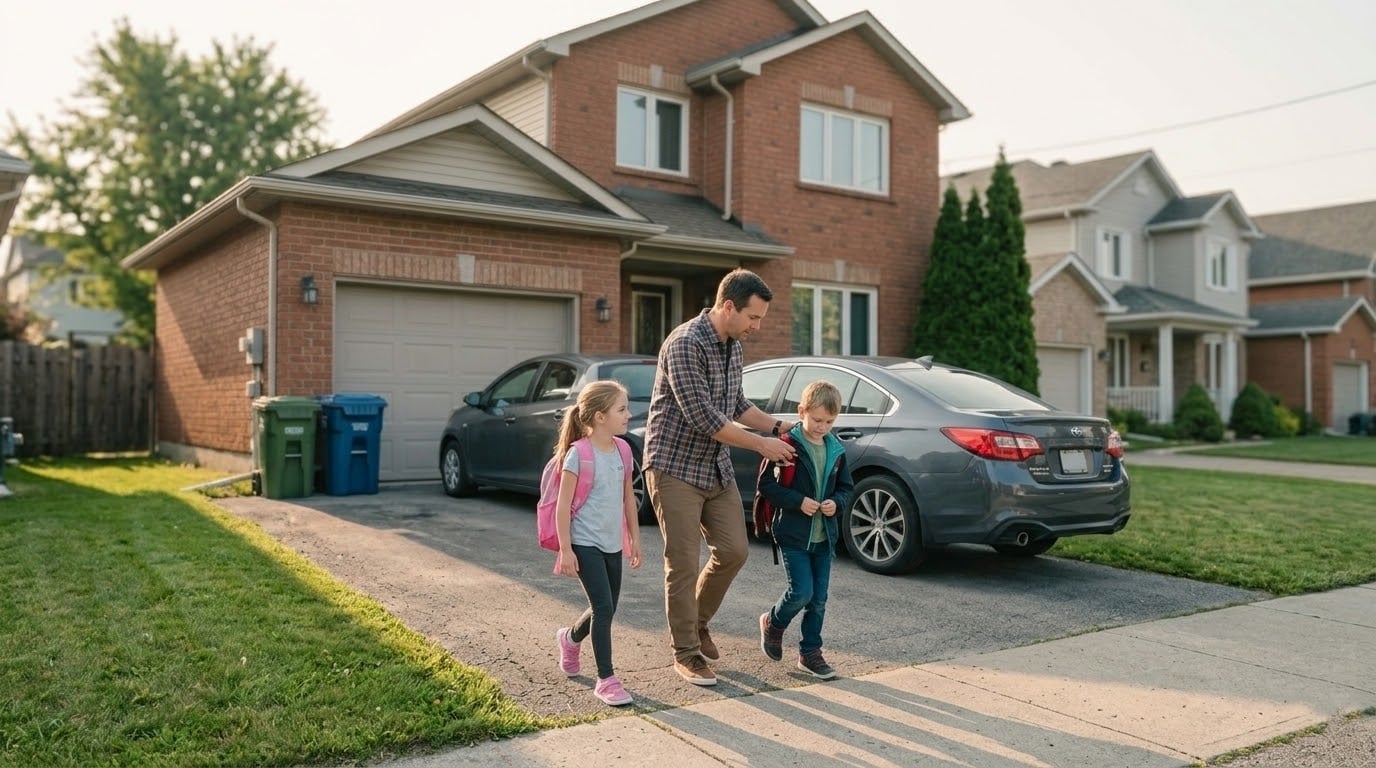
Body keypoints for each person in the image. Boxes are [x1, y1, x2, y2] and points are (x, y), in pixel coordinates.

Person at [643, 268, 798, 686]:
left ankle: (696, 623)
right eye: (753, 317)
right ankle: (686, 653)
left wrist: (779, 428)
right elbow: (704, 417)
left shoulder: (734, 346)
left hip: (714, 466)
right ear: (728, 306)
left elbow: (737, 404)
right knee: (682, 563)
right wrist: (762, 445)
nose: (757, 326)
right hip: (674, 465)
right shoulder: (684, 343)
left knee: (733, 551)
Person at [551, 380, 645, 706]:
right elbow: (563, 506)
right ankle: (606, 679)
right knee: (604, 607)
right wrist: (566, 549)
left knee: (605, 607)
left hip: (612, 543)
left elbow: (628, 498)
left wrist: (634, 538)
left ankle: (570, 638)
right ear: (600, 417)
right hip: (584, 542)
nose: (628, 415)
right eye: (622, 409)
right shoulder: (578, 454)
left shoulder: (623, 450)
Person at [756, 379, 854, 680]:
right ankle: (773, 623)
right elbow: (766, 485)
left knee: (819, 599)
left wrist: (836, 503)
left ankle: (810, 653)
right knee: (801, 591)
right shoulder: (787, 446)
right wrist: (798, 502)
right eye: (817, 419)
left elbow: (846, 488)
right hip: (793, 534)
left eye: (829, 421)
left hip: (824, 537)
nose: (823, 427)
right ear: (802, 412)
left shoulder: (836, 449)